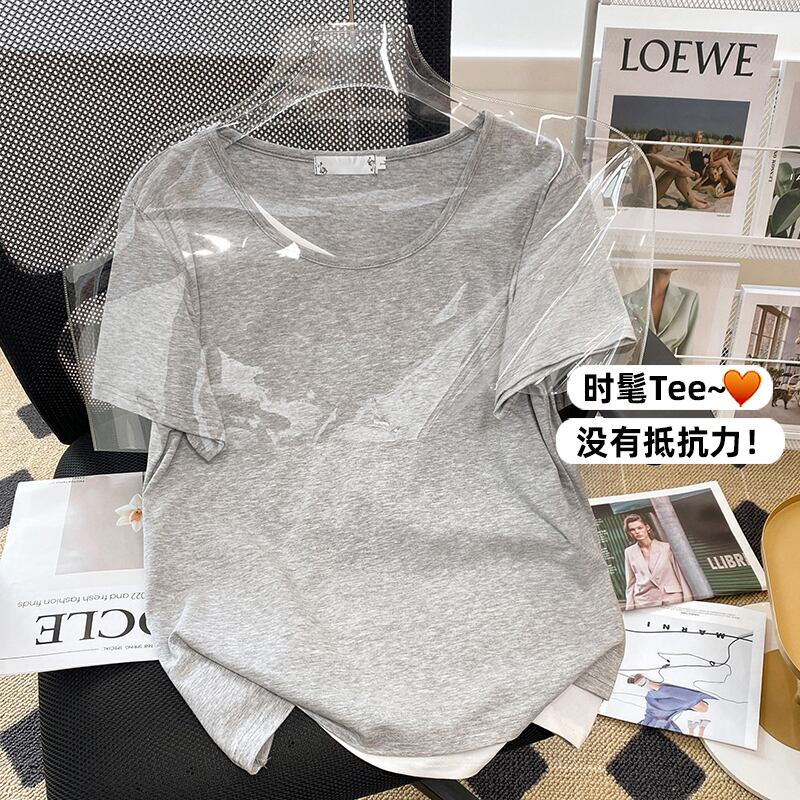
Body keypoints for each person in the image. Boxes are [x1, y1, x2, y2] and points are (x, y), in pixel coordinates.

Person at [622, 513, 693, 609]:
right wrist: (630, 608)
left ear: (647, 527)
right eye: (632, 530)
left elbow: (680, 575)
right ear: (629, 533)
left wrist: (688, 601)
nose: (637, 532)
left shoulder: (666, 547)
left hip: (671, 598)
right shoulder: (629, 552)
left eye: (640, 528)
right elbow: (630, 583)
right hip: (644, 601)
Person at [633, 128, 711, 210]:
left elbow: (676, 161)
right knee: (675, 171)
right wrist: (694, 175)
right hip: (645, 199)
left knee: (676, 166)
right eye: (663, 142)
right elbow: (679, 170)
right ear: (655, 143)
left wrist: (690, 170)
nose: (664, 144)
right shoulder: (651, 157)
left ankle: (692, 198)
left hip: (645, 192)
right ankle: (693, 202)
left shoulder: (650, 155)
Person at [627, 674, 712, 733]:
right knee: (703, 708)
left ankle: (650, 684)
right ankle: (650, 685)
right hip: (659, 710)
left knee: (702, 707)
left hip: (660, 711)